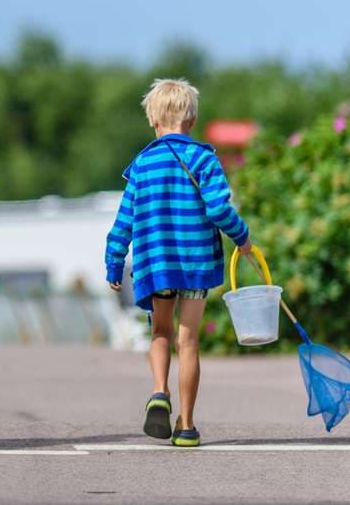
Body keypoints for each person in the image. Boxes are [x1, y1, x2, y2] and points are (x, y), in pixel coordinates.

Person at [105, 78, 253, 448]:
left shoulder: (141, 164)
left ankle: (159, 392)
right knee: (187, 341)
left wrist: (114, 261)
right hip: (195, 261)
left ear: (153, 120)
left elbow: (124, 220)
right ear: (192, 119)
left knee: (160, 333)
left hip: (156, 262)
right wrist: (243, 238)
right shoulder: (204, 158)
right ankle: (186, 426)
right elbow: (219, 208)